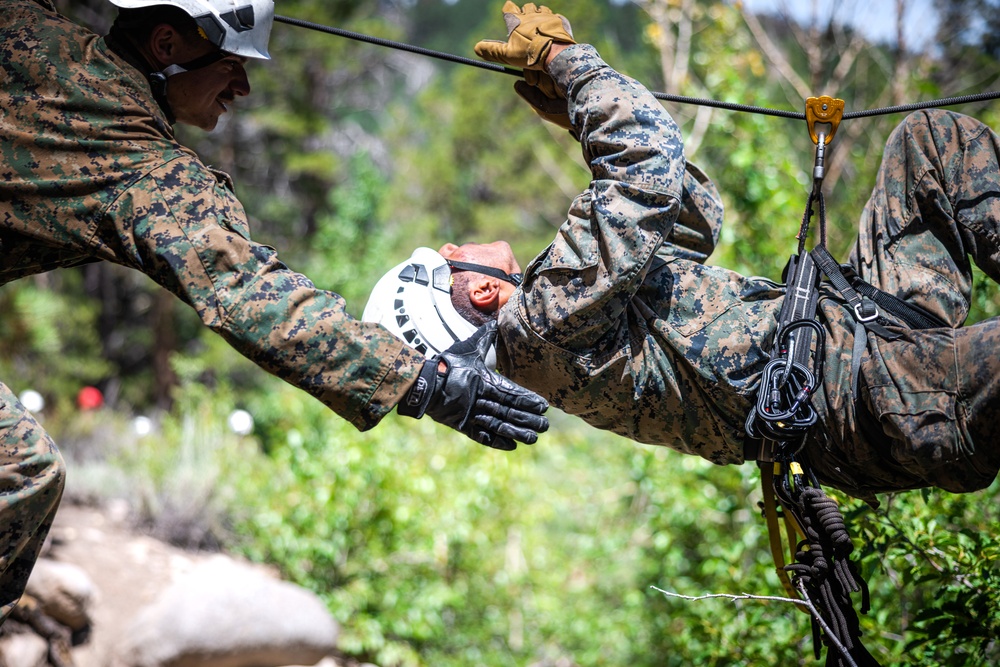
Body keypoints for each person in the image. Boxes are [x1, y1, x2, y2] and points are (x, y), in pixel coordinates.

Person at [0, 0, 549, 624]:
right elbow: (249, 291)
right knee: (19, 469)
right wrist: (421, 380)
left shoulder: (29, 25)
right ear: (165, 43)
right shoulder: (140, 165)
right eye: (232, 64)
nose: (245, 85)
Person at [367, 2, 1000, 504]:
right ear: (479, 291)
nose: (453, 244)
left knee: (935, 141)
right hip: (876, 391)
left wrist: (580, 121)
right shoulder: (543, 324)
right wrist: (572, 67)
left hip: (864, 338)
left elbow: (690, 217)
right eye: (447, 258)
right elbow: (644, 162)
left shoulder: (557, 323)